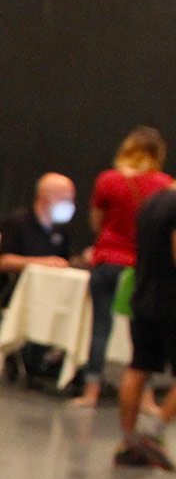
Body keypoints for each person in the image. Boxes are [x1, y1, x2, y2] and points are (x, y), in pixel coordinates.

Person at [76, 127, 172, 407]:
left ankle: (90, 392)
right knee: (145, 339)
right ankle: (148, 399)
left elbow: (96, 224)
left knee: (100, 329)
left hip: (106, 262)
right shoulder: (165, 186)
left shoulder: (107, 181)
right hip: (139, 269)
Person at [0, 173, 81, 386]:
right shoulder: (17, 222)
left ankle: (57, 361)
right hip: (13, 289)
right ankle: (22, 354)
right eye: (66, 198)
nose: (71, 204)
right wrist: (41, 262)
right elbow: (4, 261)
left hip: (52, 292)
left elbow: (63, 262)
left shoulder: (61, 231)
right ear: (47, 197)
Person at [114, 183, 176, 468]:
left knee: (138, 367)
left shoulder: (151, 203)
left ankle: (129, 444)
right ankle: (154, 434)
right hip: (171, 301)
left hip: (145, 296)